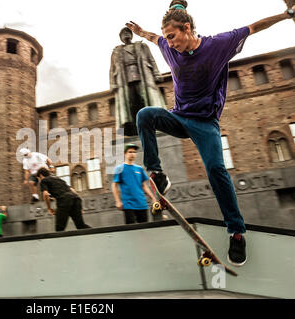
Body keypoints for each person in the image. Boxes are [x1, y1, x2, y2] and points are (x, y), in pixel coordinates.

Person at [126, 0, 295, 266]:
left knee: (216, 170)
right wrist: (140, 32)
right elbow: (153, 37)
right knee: (145, 114)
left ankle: (236, 232)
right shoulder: (169, 48)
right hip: (179, 118)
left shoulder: (219, 44)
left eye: (173, 37)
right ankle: (158, 174)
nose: (169, 44)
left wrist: (287, 15)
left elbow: (254, 27)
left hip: (205, 124)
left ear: (187, 28)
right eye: (167, 39)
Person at [110, 27, 166, 136]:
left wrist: (156, 73)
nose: (126, 34)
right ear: (120, 38)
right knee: (131, 104)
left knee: (146, 101)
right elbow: (112, 69)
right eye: (123, 33)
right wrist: (112, 83)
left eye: (127, 32)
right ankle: (135, 129)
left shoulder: (142, 46)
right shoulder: (116, 51)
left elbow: (151, 60)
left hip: (143, 76)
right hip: (125, 81)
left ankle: (154, 124)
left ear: (131, 35)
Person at [112, 144, 158, 224]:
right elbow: (114, 186)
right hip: (128, 205)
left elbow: (144, 185)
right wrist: (117, 201)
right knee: (131, 230)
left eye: (134, 152)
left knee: (144, 229)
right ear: (125, 154)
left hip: (142, 204)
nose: (132, 154)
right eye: (130, 152)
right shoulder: (119, 168)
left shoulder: (139, 169)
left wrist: (153, 198)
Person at [37, 167, 91, 232]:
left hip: (64, 201)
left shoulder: (44, 180)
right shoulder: (59, 179)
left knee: (59, 229)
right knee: (81, 225)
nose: (39, 180)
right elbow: (72, 190)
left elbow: (45, 194)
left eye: (39, 179)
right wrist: (80, 208)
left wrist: (49, 208)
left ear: (41, 175)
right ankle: (96, 235)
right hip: (76, 199)